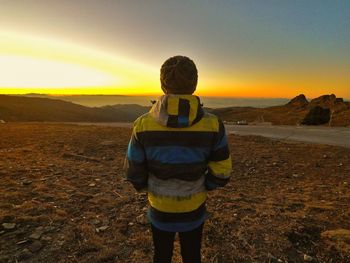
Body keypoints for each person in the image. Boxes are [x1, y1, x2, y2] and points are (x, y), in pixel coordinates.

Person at [125, 55, 232, 263]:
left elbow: (133, 171)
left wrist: (149, 187)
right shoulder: (213, 125)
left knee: (161, 255)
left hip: (159, 207)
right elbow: (223, 172)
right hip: (194, 207)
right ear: (195, 83)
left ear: (162, 84)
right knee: (192, 255)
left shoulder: (143, 125)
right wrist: (204, 185)